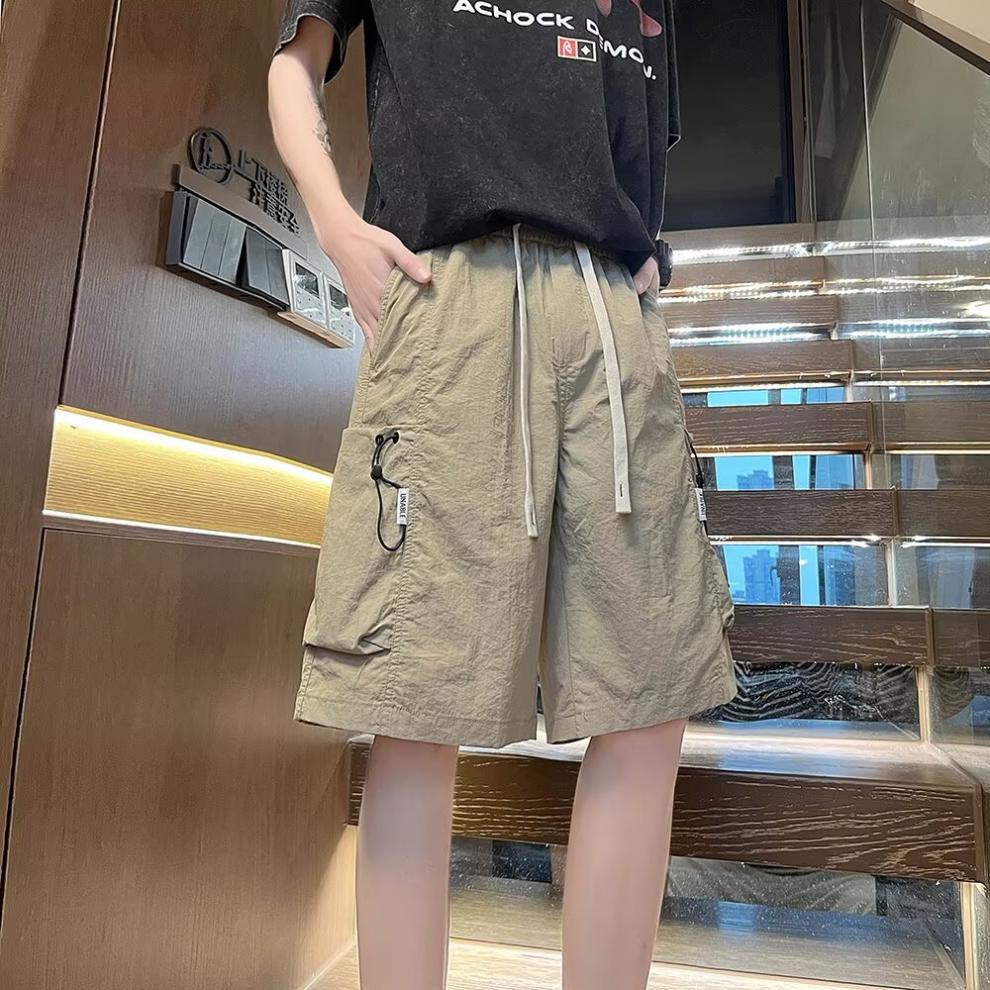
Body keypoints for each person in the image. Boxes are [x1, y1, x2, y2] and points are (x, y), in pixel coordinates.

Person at [268, 3, 736, 988]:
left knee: (650, 699)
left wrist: (647, 258)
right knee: (417, 698)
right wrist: (336, 226)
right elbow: (295, 63)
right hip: (455, 298)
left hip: (610, 315)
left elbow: (632, 148)